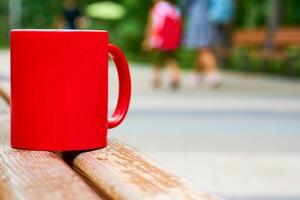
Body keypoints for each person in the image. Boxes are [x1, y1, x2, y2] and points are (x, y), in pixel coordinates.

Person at [142, 0, 182, 89]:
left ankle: (157, 77)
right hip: (172, 37)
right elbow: (179, 22)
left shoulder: (157, 8)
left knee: (158, 57)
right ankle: (175, 76)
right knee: (171, 56)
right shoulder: (173, 7)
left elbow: (153, 24)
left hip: (160, 36)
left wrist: (148, 39)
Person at [183, 0, 221, 88]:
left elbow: (186, 3)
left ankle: (214, 72)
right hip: (208, 18)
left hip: (198, 19)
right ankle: (197, 75)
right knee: (200, 49)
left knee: (203, 49)